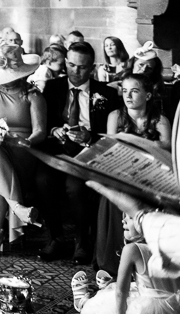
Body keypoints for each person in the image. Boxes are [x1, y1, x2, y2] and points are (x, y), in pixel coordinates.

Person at [77, 100, 180, 314]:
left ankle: (83, 301)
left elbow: (121, 294)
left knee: (103, 301)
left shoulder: (132, 249)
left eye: (127, 217)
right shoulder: (157, 248)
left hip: (147, 306)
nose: (123, 221)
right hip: (174, 305)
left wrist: (141, 215)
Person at [38, 40, 122, 262]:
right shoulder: (53, 87)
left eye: (83, 67)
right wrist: (55, 129)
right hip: (58, 151)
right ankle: (55, 238)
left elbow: (111, 135)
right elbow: (43, 122)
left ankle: (82, 241)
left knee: (75, 187)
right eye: (72, 65)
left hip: (89, 154)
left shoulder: (107, 94)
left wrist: (88, 137)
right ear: (65, 62)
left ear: (92, 67)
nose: (76, 71)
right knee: (43, 180)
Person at [94, 74, 172, 276]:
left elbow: (167, 151)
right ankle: (113, 260)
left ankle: (147, 260)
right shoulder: (115, 116)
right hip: (121, 172)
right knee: (112, 191)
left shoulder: (160, 120)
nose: (128, 95)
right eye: (125, 90)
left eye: (134, 91)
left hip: (151, 175)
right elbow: (109, 148)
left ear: (147, 96)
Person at [0, 40, 45, 256]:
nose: (6, 83)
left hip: (23, 151)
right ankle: (16, 206)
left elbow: (40, 131)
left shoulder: (33, 95)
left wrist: (26, 141)